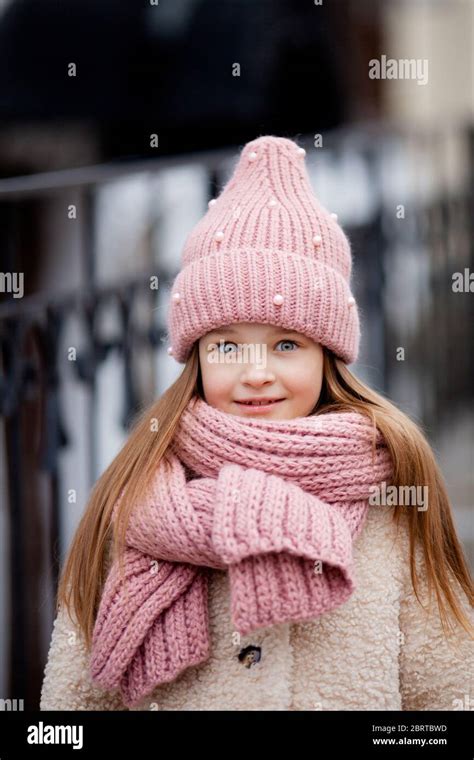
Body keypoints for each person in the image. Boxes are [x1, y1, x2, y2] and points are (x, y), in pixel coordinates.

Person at [40, 135, 473, 711]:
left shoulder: (391, 495)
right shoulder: (135, 500)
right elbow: (72, 706)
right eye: (226, 346)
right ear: (196, 354)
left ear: (328, 354)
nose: (256, 373)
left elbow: (447, 691)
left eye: (287, 344)